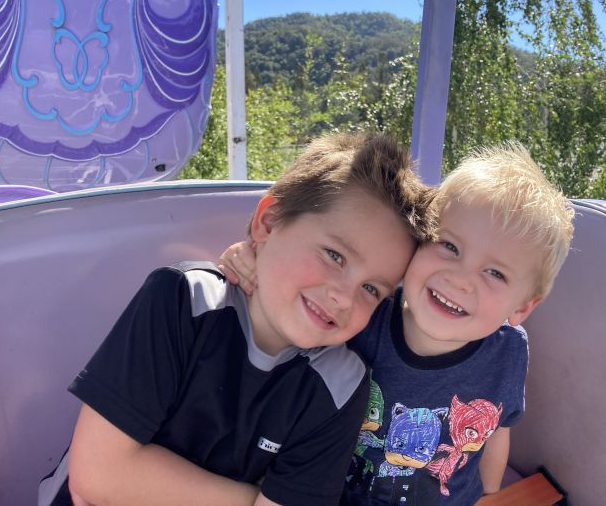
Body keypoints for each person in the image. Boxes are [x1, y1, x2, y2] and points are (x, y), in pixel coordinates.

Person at [38, 133, 437, 506]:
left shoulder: (341, 387)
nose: (343, 296)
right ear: (267, 222)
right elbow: (98, 475)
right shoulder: (184, 302)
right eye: (334, 255)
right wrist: (252, 499)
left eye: (371, 289)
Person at [218, 141, 575, 505]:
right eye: (449, 246)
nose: (461, 279)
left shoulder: (509, 350)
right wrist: (250, 259)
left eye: (495, 273)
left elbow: (498, 427)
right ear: (418, 243)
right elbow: (291, 314)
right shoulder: (366, 313)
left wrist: (491, 494)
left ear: (523, 307)